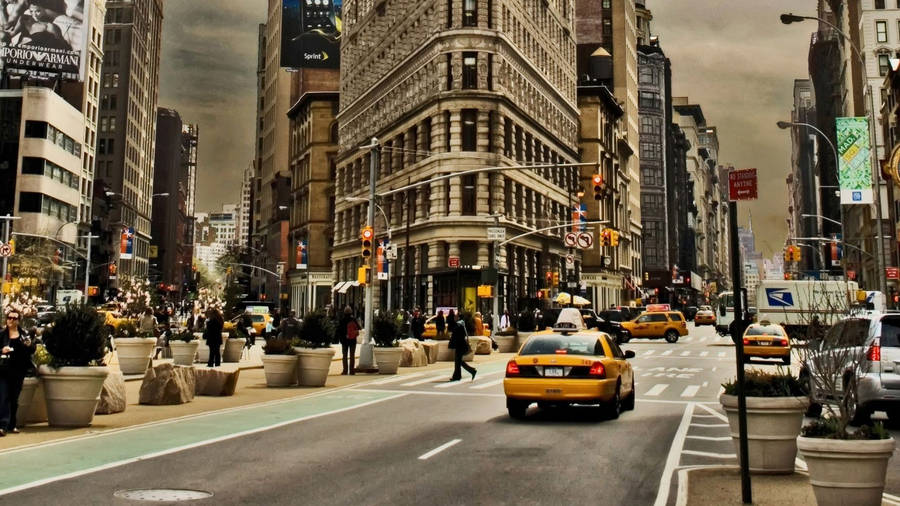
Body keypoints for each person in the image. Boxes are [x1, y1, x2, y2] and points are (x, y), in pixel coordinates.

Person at [0, 310, 35, 435]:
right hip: (3, 371)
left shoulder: (23, 334)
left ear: (18, 321)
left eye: (14, 318)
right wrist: (2, 350)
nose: (11, 320)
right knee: (3, 397)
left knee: (14, 398)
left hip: (18, 371)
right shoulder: (2, 335)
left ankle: (12, 424)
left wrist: (29, 345)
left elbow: (31, 350)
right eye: (9, 318)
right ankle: (3, 425)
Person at [338, 306, 359, 375]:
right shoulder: (353, 319)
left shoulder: (342, 320)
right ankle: (352, 370)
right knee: (352, 355)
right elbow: (359, 327)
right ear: (351, 312)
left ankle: (345, 370)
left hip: (344, 341)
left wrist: (340, 339)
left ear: (344, 313)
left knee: (344, 356)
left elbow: (339, 331)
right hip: (352, 340)